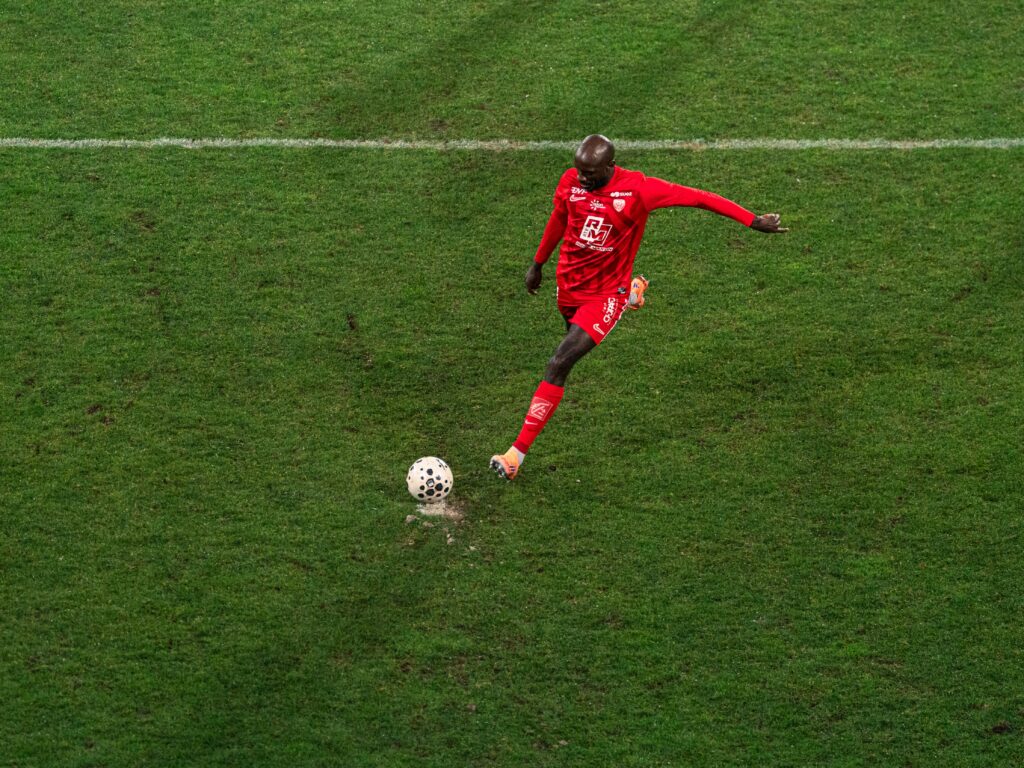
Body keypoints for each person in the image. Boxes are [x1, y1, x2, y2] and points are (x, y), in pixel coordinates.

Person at [490, 134, 788, 480]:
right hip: (569, 288)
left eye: (591, 173)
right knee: (567, 341)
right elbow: (559, 218)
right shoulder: (571, 182)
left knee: (559, 362)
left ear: (610, 167)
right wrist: (537, 264)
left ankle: (516, 456)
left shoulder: (638, 190)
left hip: (604, 295)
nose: (583, 179)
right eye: (579, 171)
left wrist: (752, 220)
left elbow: (699, 199)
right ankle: (634, 293)